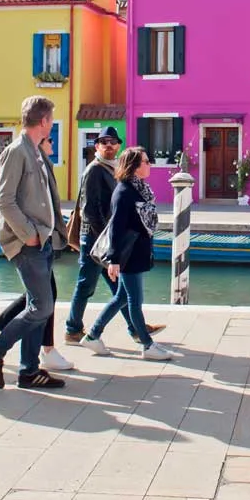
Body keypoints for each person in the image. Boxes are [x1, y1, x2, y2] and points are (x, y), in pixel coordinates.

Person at [0, 96, 69, 390]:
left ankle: (29, 372)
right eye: (51, 118)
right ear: (43, 121)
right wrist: (28, 233)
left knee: (39, 304)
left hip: (41, 240)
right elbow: (5, 201)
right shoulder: (16, 152)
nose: (52, 123)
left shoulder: (36, 152)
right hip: (27, 242)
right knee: (42, 307)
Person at [64, 126, 164, 345]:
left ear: (118, 145)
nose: (109, 145)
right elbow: (89, 208)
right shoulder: (94, 169)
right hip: (94, 238)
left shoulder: (114, 169)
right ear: (97, 146)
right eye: (104, 141)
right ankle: (73, 329)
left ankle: (136, 328)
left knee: (120, 289)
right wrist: (108, 242)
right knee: (86, 285)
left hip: (107, 239)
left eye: (113, 141)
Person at [80, 147, 174, 361]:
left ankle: (93, 335)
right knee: (134, 299)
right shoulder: (124, 192)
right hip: (127, 255)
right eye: (146, 161)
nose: (150, 164)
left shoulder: (139, 188)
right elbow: (116, 227)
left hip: (138, 252)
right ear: (134, 166)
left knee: (121, 297)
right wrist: (113, 260)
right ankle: (147, 345)